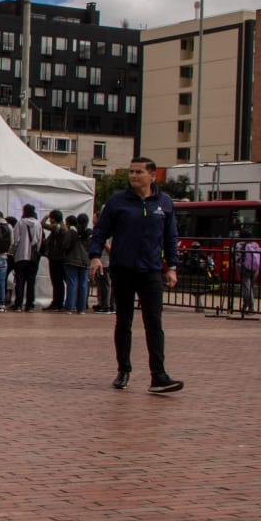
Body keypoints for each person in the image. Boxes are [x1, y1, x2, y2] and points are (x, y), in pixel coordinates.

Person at [88, 156, 183, 394]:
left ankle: (159, 376)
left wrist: (172, 266)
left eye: (138, 172)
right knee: (124, 321)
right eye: (131, 172)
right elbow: (100, 231)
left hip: (151, 270)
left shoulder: (164, 203)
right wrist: (95, 255)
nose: (133, 176)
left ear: (152, 175)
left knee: (154, 322)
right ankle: (123, 369)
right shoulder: (118, 201)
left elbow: (170, 237)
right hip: (123, 268)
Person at [9, 204, 43, 312]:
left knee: (19, 281)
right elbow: (39, 241)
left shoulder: (20, 223)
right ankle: (30, 305)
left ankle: (18, 304)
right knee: (31, 282)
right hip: (33, 258)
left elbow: (15, 241)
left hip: (21, 256)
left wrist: (12, 252)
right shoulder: (38, 224)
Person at [62, 212, 91, 314]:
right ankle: (81, 308)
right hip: (85, 261)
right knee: (83, 285)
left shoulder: (71, 231)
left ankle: (69, 307)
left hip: (72, 259)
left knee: (72, 283)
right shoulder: (89, 233)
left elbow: (65, 245)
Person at [41, 209, 67, 311]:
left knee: (57, 281)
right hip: (59, 258)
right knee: (58, 282)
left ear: (53, 219)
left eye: (51, 218)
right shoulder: (62, 226)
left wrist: (46, 217)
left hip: (57, 258)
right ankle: (58, 302)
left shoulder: (58, 226)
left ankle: (57, 303)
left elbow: (43, 224)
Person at [235, 228, 261, 315]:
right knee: (249, 287)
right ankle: (245, 306)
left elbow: (237, 256)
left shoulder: (239, 244)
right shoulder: (255, 244)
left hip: (244, 267)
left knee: (247, 288)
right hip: (255, 268)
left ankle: (251, 308)